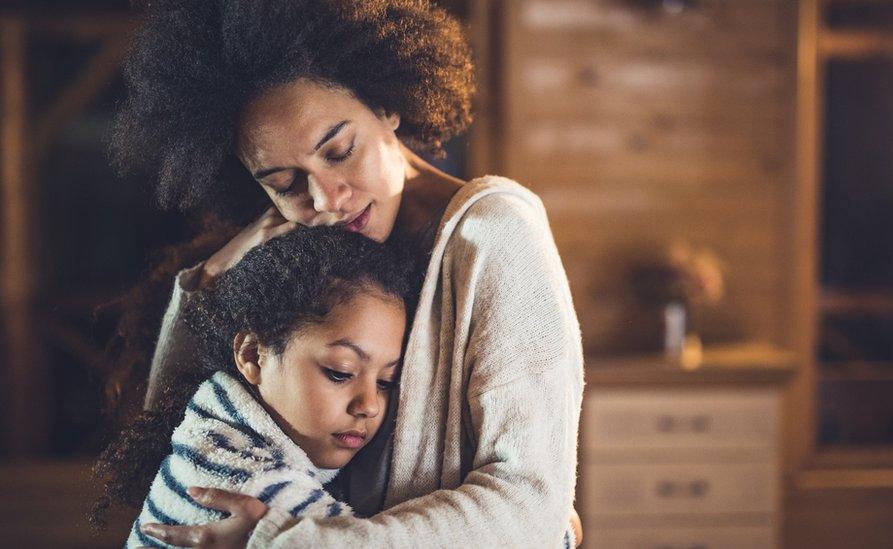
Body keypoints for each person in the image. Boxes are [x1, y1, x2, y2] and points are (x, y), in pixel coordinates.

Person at [105, 0, 584, 546]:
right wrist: (212, 280)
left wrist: (290, 541)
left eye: (339, 151)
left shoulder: (493, 234)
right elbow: (173, 451)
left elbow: (530, 502)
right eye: (285, 183)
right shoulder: (299, 251)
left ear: (387, 106)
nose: (326, 199)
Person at [113, 226, 413, 547]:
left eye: (385, 382)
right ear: (253, 355)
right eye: (340, 372)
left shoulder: (213, 429)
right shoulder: (256, 485)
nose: (370, 405)